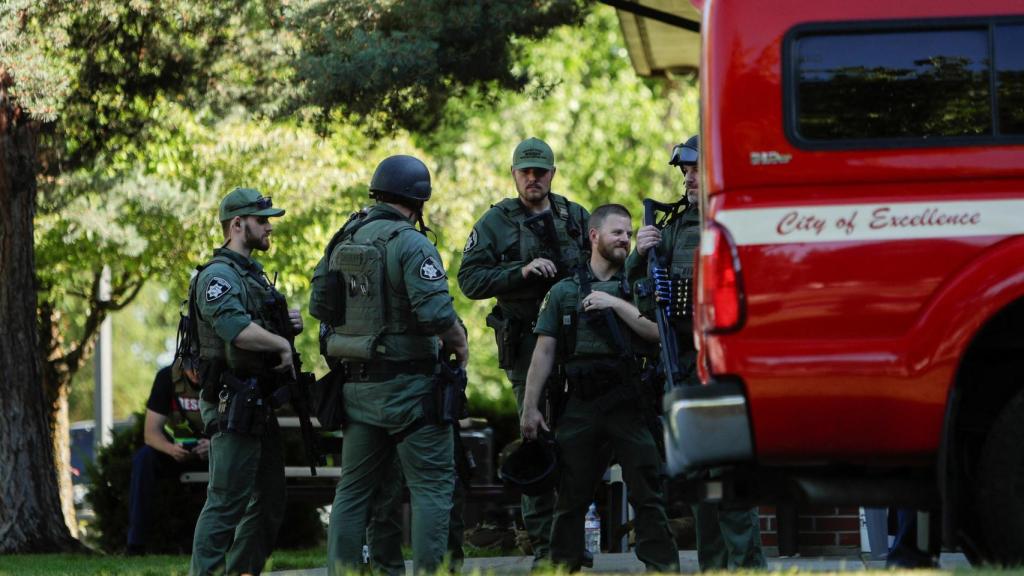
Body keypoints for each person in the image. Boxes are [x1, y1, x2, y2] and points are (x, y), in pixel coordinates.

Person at [320, 155, 469, 575]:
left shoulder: (342, 240)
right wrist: (461, 347)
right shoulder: (411, 243)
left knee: (352, 493)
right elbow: (438, 314)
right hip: (412, 393)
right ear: (418, 199)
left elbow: (319, 305)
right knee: (432, 490)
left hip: (357, 387)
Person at [631, 135, 767, 571]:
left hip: (724, 365)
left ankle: (745, 566)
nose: (689, 177)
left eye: (696, 167)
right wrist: (640, 255)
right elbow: (644, 298)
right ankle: (713, 566)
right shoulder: (672, 227)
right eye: (685, 170)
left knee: (727, 473)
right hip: (683, 365)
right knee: (699, 477)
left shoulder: (734, 216)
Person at [520, 204, 680, 572]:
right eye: (617, 232)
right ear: (595, 236)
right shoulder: (564, 291)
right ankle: (561, 567)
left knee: (648, 492)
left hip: (630, 401)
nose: (625, 239)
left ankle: (663, 568)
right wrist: (530, 407)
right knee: (571, 497)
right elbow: (544, 352)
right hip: (580, 404)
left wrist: (615, 304)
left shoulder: (640, 285)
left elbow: (657, 333)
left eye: (628, 233)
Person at [457, 136, 589, 562]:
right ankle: (545, 547)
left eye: (541, 171)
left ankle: (570, 544)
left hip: (577, 345)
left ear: (552, 173)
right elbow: (470, 280)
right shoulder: (496, 221)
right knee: (535, 439)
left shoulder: (573, 215)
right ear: (514, 174)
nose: (533, 178)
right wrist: (521, 272)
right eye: (525, 171)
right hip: (528, 345)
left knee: (578, 444)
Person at [189, 187, 300, 576]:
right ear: (237, 225)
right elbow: (236, 329)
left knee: (269, 500)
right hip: (230, 401)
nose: (269, 227)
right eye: (261, 220)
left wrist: (287, 326)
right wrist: (281, 343)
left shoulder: (251, 276)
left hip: (256, 403)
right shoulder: (217, 276)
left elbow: (257, 325)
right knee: (225, 502)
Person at [127, 363, 208, 556]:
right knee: (144, 459)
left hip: (217, 451)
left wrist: (215, 445)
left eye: (200, 366)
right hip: (178, 449)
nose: (196, 373)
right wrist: (171, 449)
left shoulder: (223, 377)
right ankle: (135, 544)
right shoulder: (167, 377)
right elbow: (151, 433)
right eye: (191, 367)